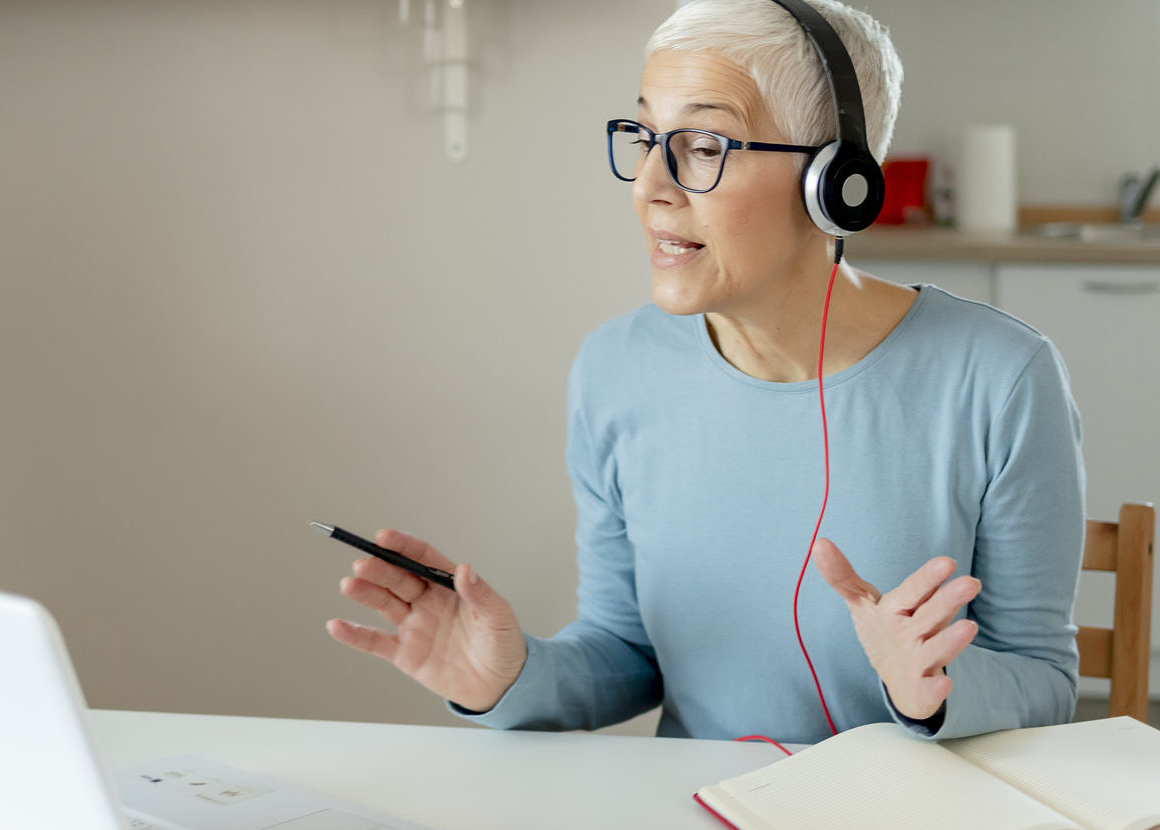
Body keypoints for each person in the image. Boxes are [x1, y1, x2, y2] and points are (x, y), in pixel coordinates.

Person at [325, 0, 1084, 745]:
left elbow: (1040, 678)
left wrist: (933, 693)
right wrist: (508, 678)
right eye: (645, 135)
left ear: (833, 182)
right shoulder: (615, 371)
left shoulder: (1001, 377)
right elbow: (627, 653)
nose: (648, 186)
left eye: (702, 145)